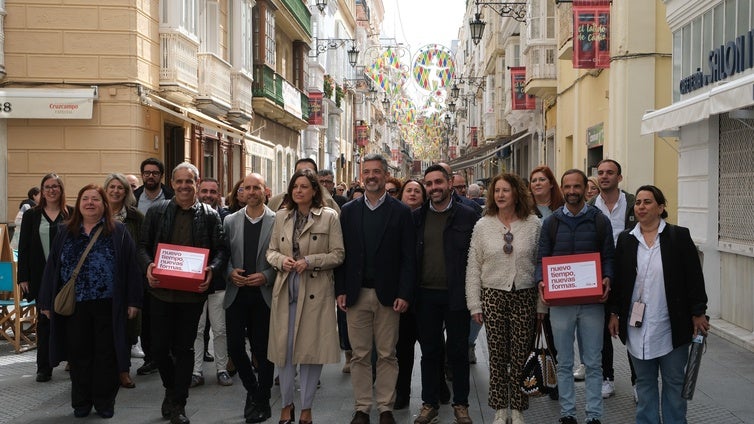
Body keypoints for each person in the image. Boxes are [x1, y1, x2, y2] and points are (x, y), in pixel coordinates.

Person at [38, 184, 143, 419]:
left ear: (104, 204)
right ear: (79, 204)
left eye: (95, 199)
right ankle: (81, 402)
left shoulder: (118, 231)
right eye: (85, 199)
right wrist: (46, 303)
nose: (89, 203)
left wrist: (133, 301)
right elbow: (52, 268)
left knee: (106, 355)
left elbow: (132, 268)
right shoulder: (65, 231)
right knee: (79, 355)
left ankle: (105, 402)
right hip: (76, 305)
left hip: (108, 304)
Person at [608, 185, 709, 424]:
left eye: (648, 202)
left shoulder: (678, 236)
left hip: (671, 323)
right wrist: (613, 312)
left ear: (661, 207)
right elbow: (620, 281)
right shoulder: (626, 239)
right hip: (637, 326)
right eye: (639, 202)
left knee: (674, 382)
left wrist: (698, 313)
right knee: (644, 383)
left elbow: (694, 277)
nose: (641, 206)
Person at [138, 162, 229, 424]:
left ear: (197, 184)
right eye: (179, 181)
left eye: (189, 181)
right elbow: (142, 246)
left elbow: (221, 249)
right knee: (159, 349)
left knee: (185, 348)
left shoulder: (210, 215)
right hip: (160, 293)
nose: (184, 186)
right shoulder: (156, 211)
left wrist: (212, 268)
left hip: (192, 295)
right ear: (173, 184)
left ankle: (179, 403)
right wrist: (148, 266)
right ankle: (171, 389)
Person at [336, 154, 416, 424]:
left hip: (389, 296)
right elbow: (342, 255)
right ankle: (362, 407)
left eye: (376, 172)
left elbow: (409, 258)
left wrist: (404, 293)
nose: (371, 176)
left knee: (387, 354)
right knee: (359, 355)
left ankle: (385, 407)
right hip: (356, 294)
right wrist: (341, 289)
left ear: (385, 175)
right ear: (362, 175)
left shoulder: (401, 212)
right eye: (366, 171)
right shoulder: (348, 211)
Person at [535, 169, 615, 424]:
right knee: (564, 363)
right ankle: (568, 414)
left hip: (592, 303)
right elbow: (541, 257)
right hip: (561, 304)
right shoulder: (551, 222)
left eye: (576, 186)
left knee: (593, 362)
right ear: (562, 188)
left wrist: (608, 278)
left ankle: (594, 416)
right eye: (567, 186)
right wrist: (540, 280)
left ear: (585, 188)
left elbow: (609, 257)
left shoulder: (600, 220)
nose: (572, 191)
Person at [266, 169, 345, 424]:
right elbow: (270, 251)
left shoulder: (329, 217)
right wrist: (281, 260)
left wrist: (310, 261)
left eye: (304, 186)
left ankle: (307, 407)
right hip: (286, 288)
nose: (298, 191)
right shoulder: (281, 216)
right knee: (284, 351)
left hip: (315, 290)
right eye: (295, 186)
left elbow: (338, 254)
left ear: (314, 191)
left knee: (310, 352)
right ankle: (286, 404)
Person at [466, 173, 543, 424]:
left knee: (521, 353)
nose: (500, 195)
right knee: (497, 356)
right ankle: (500, 408)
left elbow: (541, 265)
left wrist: (542, 304)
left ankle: (518, 408)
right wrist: (474, 304)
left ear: (517, 194)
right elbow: (473, 267)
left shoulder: (533, 224)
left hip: (524, 295)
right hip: (493, 295)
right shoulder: (483, 225)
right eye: (496, 191)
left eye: (505, 190)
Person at [412, 164, 477, 424]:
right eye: (429, 184)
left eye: (438, 182)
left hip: (457, 295)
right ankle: (429, 404)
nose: (434, 188)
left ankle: (461, 405)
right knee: (430, 352)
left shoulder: (468, 216)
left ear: (450, 183)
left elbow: (476, 258)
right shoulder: (416, 218)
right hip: (425, 295)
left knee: (459, 352)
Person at [223, 173, 277, 423]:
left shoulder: (277, 221)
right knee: (234, 346)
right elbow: (223, 255)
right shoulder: (230, 220)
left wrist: (266, 276)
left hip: (264, 295)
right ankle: (254, 391)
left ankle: (263, 399)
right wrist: (229, 272)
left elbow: (282, 256)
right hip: (237, 293)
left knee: (263, 350)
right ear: (240, 192)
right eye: (247, 188)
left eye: (257, 187)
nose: (252, 191)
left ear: (266, 191)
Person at [588, 159, 637, 399]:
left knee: (634, 328)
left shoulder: (633, 203)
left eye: (610, 172)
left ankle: (638, 381)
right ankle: (607, 377)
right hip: (600, 276)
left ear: (619, 177)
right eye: (601, 173)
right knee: (601, 331)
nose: (604, 176)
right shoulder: (589, 207)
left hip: (632, 276)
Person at [17, 173, 73, 383]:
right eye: (47, 187)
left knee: (68, 317)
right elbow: (24, 247)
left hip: (66, 276)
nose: (51, 190)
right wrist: (23, 277)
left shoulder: (71, 213)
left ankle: (71, 359)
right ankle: (44, 366)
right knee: (44, 320)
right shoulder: (32, 215)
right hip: (41, 276)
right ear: (42, 191)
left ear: (61, 190)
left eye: (55, 186)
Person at [133, 158, 175, 378]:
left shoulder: (171, 197)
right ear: (142, 175)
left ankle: (166, 354)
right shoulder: (134, 198)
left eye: (155, 172)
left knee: (163, 312)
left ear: (161, 175)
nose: (150, 176)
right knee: (146, 313)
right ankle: (150, 358)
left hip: (166, 261)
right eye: (147, 172)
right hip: (141, 259)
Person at [190, 177, 232, 389]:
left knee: (220, 329)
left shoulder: (225, 217)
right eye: (204, 191)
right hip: (193, 283)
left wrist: (213, 269)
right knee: (196, 330)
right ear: (198, 191)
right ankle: (196, 371)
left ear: (219, 194)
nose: (208, 195)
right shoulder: (188, 214)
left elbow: (225, 250)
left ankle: (221, 369)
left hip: (217, 283)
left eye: (212, 191)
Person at [104, 173, 145, 390]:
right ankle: (105, 371)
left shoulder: (135, 217)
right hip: (100, 281)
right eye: (112, 187)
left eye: (120, 188)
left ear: (127, 192)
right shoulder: (94, 214)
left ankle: (123, 371)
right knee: (103, 329)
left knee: (126, 329)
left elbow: (142, 246)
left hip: (127, 278)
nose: (116, 191)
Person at [394, 178, 431, 410]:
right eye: (408, 190)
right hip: (400, 293)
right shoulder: (394, 218)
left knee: (432, 346)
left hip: (427, 293)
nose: (413, 194)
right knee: (402, 349)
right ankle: (402, 394)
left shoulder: (431, 218)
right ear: (401, 195)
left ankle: (436, 390)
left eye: (418, 191)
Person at [529, 165, 565, 401]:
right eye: (533, 180)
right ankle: (533, 376)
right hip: (532, 278)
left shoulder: (562, 210)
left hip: (560, 278)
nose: (538, 183)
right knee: (532, 331)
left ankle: (556, 379)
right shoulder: (525, 211)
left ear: (551, 183)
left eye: (542, 179)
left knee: (557, 334)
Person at [267, 158, 340, 213]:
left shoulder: (328, 203)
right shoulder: (277, 202)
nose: (303, 176)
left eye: (309, 172)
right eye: (299, 172)